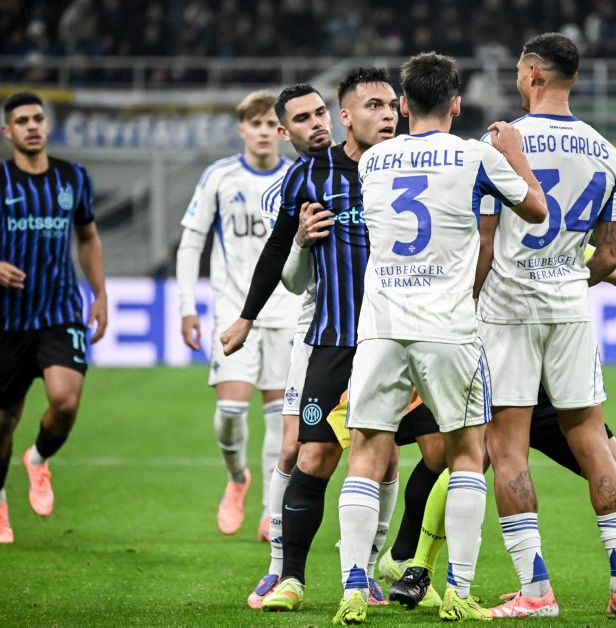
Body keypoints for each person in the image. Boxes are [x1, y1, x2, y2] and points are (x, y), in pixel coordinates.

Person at [385, 244, 616, 613]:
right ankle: (419, 569)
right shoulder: (495, 234)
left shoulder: (553, 238)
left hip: (552, 388)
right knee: (469, 465)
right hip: (504, 369)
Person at [331, 51, 546, 625]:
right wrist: (514, 155)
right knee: (467, 454)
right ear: (457, 103)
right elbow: (537, 211)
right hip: (447, 328)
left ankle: (353, 589)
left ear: (403, 105)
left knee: (367, 452)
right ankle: (458, 591)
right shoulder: (476, 155)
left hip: (381, 327)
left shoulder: (373, 161)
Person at [221, 68, 446, 613]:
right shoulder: (309, 175)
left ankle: (388, 560)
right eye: (374, 106)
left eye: (391, 105)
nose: (388, 114)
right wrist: (246, 317)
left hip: (404, 338)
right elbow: (280, 252)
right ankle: (288, 577)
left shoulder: (415, 163)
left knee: (437, 453)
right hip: (335, 338)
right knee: (313, 454)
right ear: (348, 116)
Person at [474, 32, 616, 618]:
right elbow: (610, 257)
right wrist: (566, 277)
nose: (518, 79)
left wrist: (466, 304)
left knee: (507, 449)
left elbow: (485, 243)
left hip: (508, 309)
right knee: (594, 443)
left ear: (534, 74)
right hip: (570, 308)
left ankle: (536, 590)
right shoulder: (609, 153)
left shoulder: (499, 142)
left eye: (520, 71)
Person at [0, 91, 107, 544]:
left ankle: (37, 459)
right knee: (3, 419)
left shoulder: (74, 178)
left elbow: (87, 237)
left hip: (60, 312)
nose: (32, 126)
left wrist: (100, 293)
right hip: (8, 321)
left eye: (38, 118)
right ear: (7, 131)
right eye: (22, 120)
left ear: (47, 126)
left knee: (66, 402)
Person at [176, 90, 299, 542]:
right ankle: (237, 476)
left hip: (286, 312)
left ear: (281, 131)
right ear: (242, 129)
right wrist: (187, 306)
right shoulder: (220, 176)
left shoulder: (295, 176)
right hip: (233, 311)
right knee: (229, 412)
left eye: (271, 124)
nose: (264, 132)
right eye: (256, 124)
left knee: (278, 419)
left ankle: (270, 512)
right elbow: (192, 242)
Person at [245, 83, 334, 609]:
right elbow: (292, 276)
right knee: (294, 447)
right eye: (303, 118)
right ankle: (278, 568)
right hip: (317, 327)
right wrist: (300, 240)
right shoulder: (288, 189)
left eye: (321, 112)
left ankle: (369, 571)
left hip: (382, 328)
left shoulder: (372, 168)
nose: (317, 122)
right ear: (284, 131)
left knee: (385, 454)